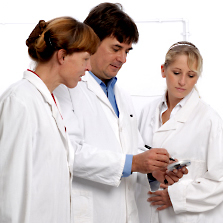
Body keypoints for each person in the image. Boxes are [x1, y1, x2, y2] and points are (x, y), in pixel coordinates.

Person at [54, 3, 187, 223]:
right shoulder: (66, 88)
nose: (123, 59)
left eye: (127, 51)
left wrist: (154, 170)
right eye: (116, 48)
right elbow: (68, 153)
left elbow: (129, 149)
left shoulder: (122, 96)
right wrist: (133, 163)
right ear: (92, 41)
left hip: (125, 213)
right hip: (87, 213)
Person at [0, 16, 99, 223]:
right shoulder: (20, 101)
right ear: (62, 56)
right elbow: (10, 191)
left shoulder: (47, 102)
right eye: (85, 58)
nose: (88, 68)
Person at [137, 41, 223, 223]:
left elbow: (220, 181)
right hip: (146, 212)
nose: (183, 82)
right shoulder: (146, 112)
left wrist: (177, 197)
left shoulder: (209, 119)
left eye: (191, 75)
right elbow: (136, 161)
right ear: (163, 70)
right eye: (176, 73)